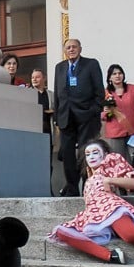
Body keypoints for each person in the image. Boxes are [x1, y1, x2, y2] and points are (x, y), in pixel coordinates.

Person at [54, 38, 105, 197]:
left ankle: (88, 186)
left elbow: (99, 91)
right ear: (64, 50)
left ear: (80, 49)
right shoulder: (60, 67)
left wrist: (94, 110)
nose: (71, 50)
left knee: (86, 152)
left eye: (74, 47)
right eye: (68, 47)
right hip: (66, 116)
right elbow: (57, 94)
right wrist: (57, 116)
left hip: (86, 116)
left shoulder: (91, 64)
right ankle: (72, 188)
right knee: (68, 155)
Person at [101, 64, 134, 162]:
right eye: (114, 74)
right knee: (118, 161)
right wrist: (105, 113)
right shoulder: (106, 93)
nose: (117, 76)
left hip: (133, 131)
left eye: (120, 73)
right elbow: (100, 113)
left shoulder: (133, 89)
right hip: (115, 131)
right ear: (110, 77)